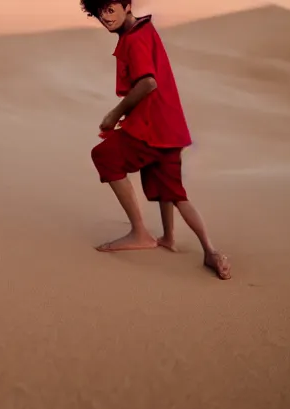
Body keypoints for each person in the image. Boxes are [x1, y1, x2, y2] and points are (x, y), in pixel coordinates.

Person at [81, 0, 231, 280]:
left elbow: (148, 82)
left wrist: (115, 114)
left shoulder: (133, 39)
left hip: (151, 127)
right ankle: (201, 248)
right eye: (98, 12)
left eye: (109, 8)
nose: (105, 17)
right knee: (173, 191)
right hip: (170, 127)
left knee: (104, 156)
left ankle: (140, 233)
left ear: (126, 5)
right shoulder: (145, 29)